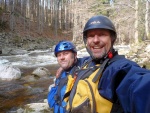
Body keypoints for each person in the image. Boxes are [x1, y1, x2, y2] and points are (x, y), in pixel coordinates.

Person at [59, 15, 150, 113]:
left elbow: (139, 85)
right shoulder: (88, 62)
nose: (95, 40)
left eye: (102, 34)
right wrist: (63, 67)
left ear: (112, 38)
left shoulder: (119, 69)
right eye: (91, 36)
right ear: (86, 41)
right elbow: (75, 61)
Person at [47, 40, 90, 113]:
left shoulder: (84, 65)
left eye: (65, 54)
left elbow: (98, 57)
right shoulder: (60, 74)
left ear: (75, 55)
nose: (62, 57)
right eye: (59, 55)